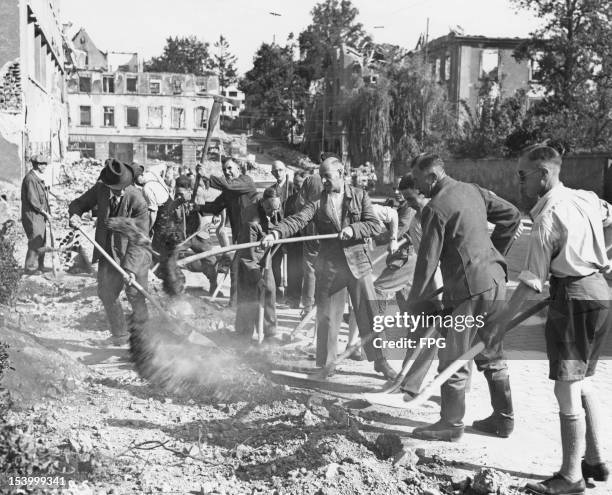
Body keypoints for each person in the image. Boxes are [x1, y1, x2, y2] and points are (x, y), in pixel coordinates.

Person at [484, 145, 611, 495]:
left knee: (565, 386)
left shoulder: (547, 217)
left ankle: (571, 477)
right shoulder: (586, 197)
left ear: (544, 173)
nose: (519, 182)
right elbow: (609, 217)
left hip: (572, 299)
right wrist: (600, 254)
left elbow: (530, 283)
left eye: (523, 175)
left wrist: (500, 323)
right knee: (583, 380)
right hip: (599, 294)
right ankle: (596, 461)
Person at [408, 153, 521, 442]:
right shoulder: (473, 189)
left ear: (432, 176)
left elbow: (426, 265)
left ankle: (450, 423)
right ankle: (503, 419)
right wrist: (493, 255)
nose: (418, 186)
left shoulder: (434, 208)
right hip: (495, 281)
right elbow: (512, 216)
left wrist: (416, 305)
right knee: (491, 350)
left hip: (469, 292)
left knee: (453, 356)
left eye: (420, 180)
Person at [261, 156, 397, 380]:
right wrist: (275, 233)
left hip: (358, 265)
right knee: (326, 318)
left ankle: (381, 362)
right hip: (331, 267)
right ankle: (325, 366)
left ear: (341, 173)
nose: (323, 181)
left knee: (369, 315)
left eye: (327, 176)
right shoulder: (317, 202)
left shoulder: (360, 195)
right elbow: (297, 220)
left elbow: (374, 224)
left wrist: (354, 229)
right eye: (321, 176)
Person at [69, 159, 150, 346]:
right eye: (116, 188)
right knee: (106, 294)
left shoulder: (137, 200)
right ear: (107, 184)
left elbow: (139, 240)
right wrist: (75, 214)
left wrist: (130, 269)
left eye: (123, 187)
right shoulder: (100, 190)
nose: (120, 191)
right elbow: (78, 204)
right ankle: (120, 335)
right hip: (108, 253)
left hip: (135, 256)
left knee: (136, 297)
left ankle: (144, 343)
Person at [195, 158, 260, 304]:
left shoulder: (246, 181)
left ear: (239, 169)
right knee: (236, 269)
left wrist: (206, 175)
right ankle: (235, 305)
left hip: (254, 236)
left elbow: (229, 186)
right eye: (224, 170)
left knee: (250, 270)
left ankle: (248, 304)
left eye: (230, 168)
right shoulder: (228, 192)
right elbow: (215, 207)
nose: (227, 172)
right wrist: (198, 207)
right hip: (240, 236)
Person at [235, 187, 284, 343]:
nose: (273, 212)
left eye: (276, 208)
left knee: (269, 291)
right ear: (262, 203)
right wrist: (257, 278)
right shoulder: (252, 221)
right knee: (249, 296)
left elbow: (280, 227)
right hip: (249, 262)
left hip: (265, 260)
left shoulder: (275, 212)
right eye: (269, 208)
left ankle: (269, 334)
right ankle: (244, 335)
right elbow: (248, 255)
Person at [21, 153, 51, 275]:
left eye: (45, 164)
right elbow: (34, 201)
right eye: (42, 164)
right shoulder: (30, 179)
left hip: (40, 215)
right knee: (35, 241)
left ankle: (40, 266)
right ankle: (30, 268)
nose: (44, 166)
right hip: (33, 216)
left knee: (42, 240)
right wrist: (46, 213)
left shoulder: (37, 178)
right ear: (35, 165)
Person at [284, 171, 307, 308]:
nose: (297, 188)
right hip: (293, 240)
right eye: (295, 184)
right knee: (293, 270)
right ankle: (293, 298)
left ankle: (310, 301)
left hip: (309, 240)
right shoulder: (290, 200)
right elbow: (286, 220)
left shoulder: (314, 199)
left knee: (310, 272)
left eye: (300, 184)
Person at [134, 165, 171, 235]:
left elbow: (153, 213)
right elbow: (164, 166)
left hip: (165, 211)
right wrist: (162, 180)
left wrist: (148, 230)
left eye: (135, 179)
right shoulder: (151, 171)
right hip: (170, 200)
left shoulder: (146, 189)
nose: (136, 182)